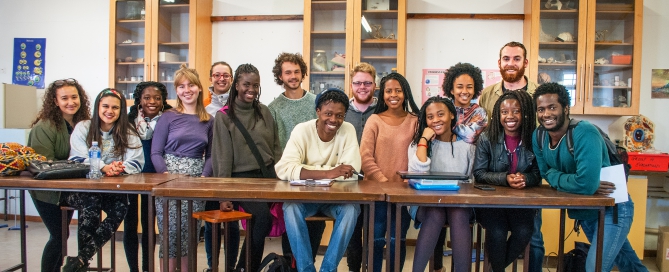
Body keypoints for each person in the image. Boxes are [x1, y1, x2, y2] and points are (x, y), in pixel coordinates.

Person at [532, 83, 648, 272]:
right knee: (630, 264)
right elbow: (546, 173)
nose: (546, 114)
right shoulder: (538, 136)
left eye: (552, 107)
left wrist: (562, 178)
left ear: (566, 108)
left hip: (613, 208)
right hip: (586, 212)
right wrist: (575, 180)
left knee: (594, 267)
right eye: (541, 109)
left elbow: (585, 184)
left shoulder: (584, 132)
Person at [275, 89, 361, 272]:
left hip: (335, 201)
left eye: (339, 115)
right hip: (306, 199)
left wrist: (305, 170)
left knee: (352, 209)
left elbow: (352, 173)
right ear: (318, 112)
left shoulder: (348, 130)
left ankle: (327, 269)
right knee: (290, 207)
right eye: (328, 113)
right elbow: (282, 169)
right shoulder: (302, 130)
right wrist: (330, 173)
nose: (333, 120)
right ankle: (306, 269)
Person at [478, 41, 544, 271]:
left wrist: (527, 177)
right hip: (495, 185)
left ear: (525, 62)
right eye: (506, 58)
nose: (511, 63)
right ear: (499, 63)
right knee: (495, 233)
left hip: (528, 188)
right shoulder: (488, 94)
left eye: (517, 58)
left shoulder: (539, 93)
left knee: (533, 239)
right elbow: (485, 131)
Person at [211, 63, 282, 272]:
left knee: (268, 221)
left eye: (256, 85)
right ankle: (245, 267)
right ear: (236, 85)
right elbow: (222, 158)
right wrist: (224, 196)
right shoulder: (223, 116)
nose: (251, 89)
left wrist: (282, 180)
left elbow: (276, 147)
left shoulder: (265, 111)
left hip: (269, 177)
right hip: (240, 180)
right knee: (262, 219)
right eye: (246, 84)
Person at [63, 88, 144, 271]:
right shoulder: (84, 127)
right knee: (90, 204)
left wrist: (119, 168)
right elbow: (77, 158)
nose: (110, 111)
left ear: (121, 110)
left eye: (115, 108)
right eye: (105, 106)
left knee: (121, 207)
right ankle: (82, 263)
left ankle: (81, 260)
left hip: (111, 189)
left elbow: (137, 161)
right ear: (97, 107)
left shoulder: (127, 131)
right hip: (85, 188)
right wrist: (104, 167)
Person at [151, 64, 214, 272]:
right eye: (181, 86)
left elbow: (212, 155)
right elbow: (156, 152)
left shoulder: (209, 120)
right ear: (176, 91)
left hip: (196, 181)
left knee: (190, 234)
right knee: (170, 234)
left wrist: (204, 177)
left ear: (199, 88)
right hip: (169, 180)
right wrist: (166, 176)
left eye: (191, 85)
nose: (187, 90)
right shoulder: (168, 117)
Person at [27, 78, 91, 272]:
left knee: (63, 236)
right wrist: (77, 166)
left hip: (70, 188)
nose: (70, 102)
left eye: (74, 97)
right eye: (64, 98)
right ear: (55, 101)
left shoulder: (83, 124)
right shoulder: (45, 127)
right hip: (48, 191)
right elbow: (44, 165)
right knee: (58, 236)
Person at [473, 90, 540, 272]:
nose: (509, 116)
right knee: (497, 232)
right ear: (498, 115)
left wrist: (526, 178)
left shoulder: (534, 138)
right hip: (491, 202)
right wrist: (505, 178)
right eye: (504, 112)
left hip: (521, 202)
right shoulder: (487, 137)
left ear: (525, 113)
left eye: (516, 111)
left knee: (524, 231)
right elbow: (478, 173)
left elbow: (538, 173)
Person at [267, 52, 324, 260]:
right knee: (290, 224)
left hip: (316, 174)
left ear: (303, 74)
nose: (293, 76)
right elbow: (274, 146)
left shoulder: (316, 103)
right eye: (288, 72)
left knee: (316, 221)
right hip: (289, 177)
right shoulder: (273, 109)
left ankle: (308, 264)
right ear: (280, 76)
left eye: (296, 71)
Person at [360, 72, 419, 271]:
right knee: (375, 240)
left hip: (403, 194)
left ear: (405, 93)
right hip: (376, 193)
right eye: (388, 91)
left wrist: (404, 185)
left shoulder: (415, 121)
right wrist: (382, 181)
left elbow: (419, 157)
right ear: (382, 94)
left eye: (398, 90)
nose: (393, 95)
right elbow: (365, 156)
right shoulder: (374, 120)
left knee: (397, 241)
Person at [409, 97, 476, 272]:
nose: (435, 120)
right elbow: (415, 174)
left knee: (458, 212)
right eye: (430, 117)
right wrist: (424, 139)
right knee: (436, 213)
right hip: (426, 204)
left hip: (458, 203)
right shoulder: (419, 144)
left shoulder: (467, 148)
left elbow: (471, 182)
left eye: (441, 114)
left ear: (452, 115)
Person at [125, 81, 173, 272]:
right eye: (147, 97)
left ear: (163, 101)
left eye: (157, 98)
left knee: (149, 227)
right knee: (130, 225)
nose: (152, 101)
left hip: (157, 178)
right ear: (139, 100)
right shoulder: (129, 119)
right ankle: (133, 269)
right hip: (130, 177)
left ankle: (147, 268)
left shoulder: (170, 119)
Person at [203, 61, 240, 272]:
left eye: (225, 75)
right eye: (217, 75)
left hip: (233, 172)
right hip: (211, 171)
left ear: (231, 79)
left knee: (231, 222)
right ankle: (212, 266)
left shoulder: (238, 106)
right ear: (211, 79)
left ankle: (230, 267)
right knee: (211, 223)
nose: (221, 79)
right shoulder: (204, 107)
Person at [344, 62, 378, 272]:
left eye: (367, 83)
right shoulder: (342, 110)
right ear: (351, 85)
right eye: (357, 83)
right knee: (353, 234)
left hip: (376, 181)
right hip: (350, 182)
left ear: (375, 85)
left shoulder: (383, 109)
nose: (362, 87)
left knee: (375, 233)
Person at [443, 62, 488, 144]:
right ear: (452, 90)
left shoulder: (479, 112)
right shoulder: (444, 109)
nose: (464, 91)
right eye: (459, 87)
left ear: (474, 90)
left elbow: (470, 137)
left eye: (469, 87)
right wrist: (470, 124)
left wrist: (450, 126)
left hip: (471, 156)